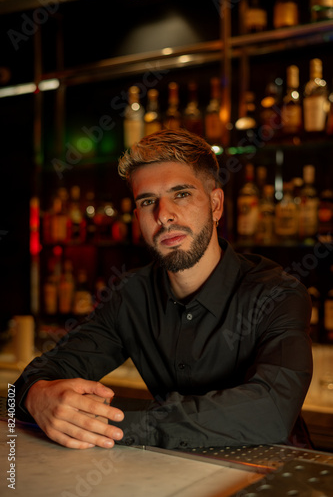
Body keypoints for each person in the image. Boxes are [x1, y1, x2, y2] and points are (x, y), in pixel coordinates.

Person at [13, 129, 313, 450]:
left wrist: (111, 423)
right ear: (137, 216)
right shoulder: (130, 295)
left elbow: (270, 409)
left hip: (273, 474)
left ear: (215, 204)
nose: (164, 215)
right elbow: (46, 371)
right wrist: (35, 395)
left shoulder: (277, 293)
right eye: (148, 201)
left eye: (181, 194)